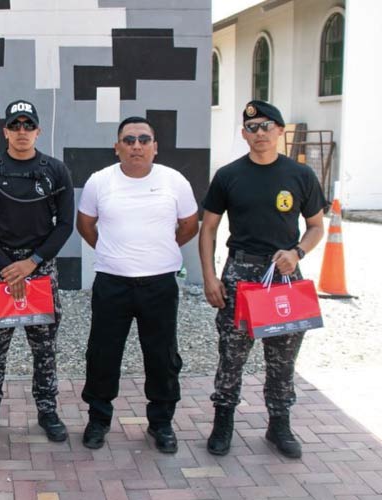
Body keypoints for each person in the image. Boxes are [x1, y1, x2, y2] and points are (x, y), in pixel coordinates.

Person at [199, 100, 325, 458]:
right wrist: (210, 276)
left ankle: (279, 424)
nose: (259, 134)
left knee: (283, 356)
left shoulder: (300, 176)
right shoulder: (229, 175)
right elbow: (208, 229)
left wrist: (297, 252)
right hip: (241, 276)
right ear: (244, 134)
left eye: (266, 126)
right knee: (232, 355)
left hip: (284, 275)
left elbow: (316, 227)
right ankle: (223, 423)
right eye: (252, 128)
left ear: (280, 131)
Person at [76, 116, 199, 452]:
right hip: (112, 283)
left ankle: (161, 423)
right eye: (128, 140)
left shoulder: (174, 181)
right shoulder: (100, 182)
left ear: (155, 147)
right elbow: (85, 224)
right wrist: (112, 251)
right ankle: (98, 420)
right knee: (103, 354)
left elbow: (189, 225)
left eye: (144, 139)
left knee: (161, 356)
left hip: (159, 284)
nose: (136, 146)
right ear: (117, 147)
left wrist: (161, 248)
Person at [0, 99, 75, 443]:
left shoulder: (56, 170)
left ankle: (47, 409)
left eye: (28, 125)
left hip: (40, 268)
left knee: (43, 346)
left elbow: (66, 224)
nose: (22, 132)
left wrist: (32, 263)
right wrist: (6, 266)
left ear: (38, 131)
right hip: (0, 268)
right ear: (5, 131)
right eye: (15, 125)